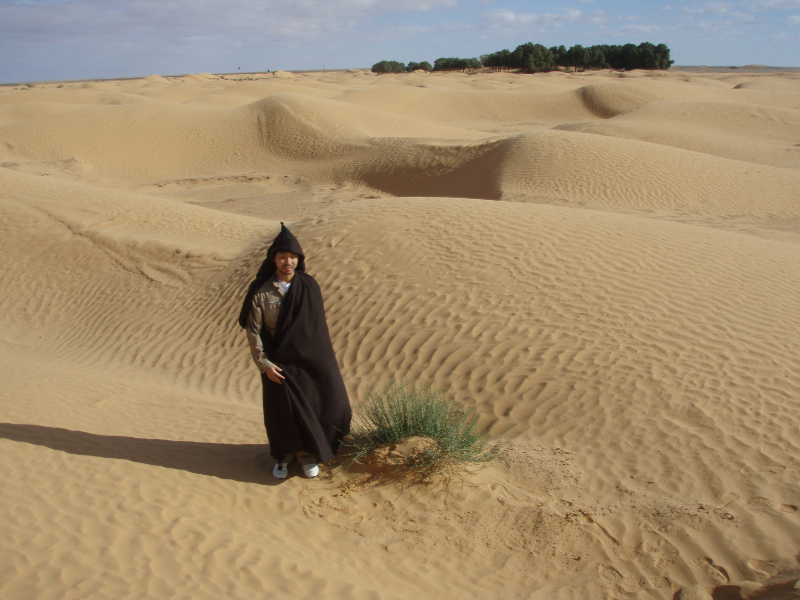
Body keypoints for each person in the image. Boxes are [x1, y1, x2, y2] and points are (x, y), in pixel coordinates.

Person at [238, 223, 351, 479]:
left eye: (292, 257)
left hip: (307, 362)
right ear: (273, 259)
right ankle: (283, 458)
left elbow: (316, 330)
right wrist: (264, 365)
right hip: (276, 362)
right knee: (281, 414)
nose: (287, 261)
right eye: (282, 256)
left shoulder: (309, 286)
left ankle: (309, 456)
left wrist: (321, 363)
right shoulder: (261, 291)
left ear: (298, 259)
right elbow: (253, 332)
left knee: (317, 406)